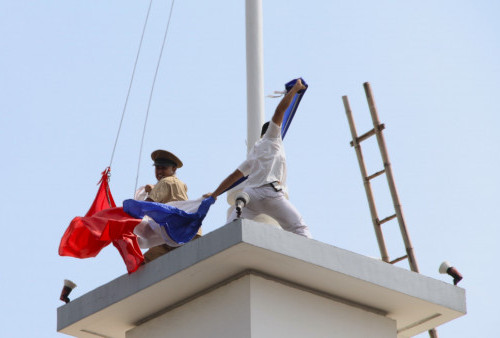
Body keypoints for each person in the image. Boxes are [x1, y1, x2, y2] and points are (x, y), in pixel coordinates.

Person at [205, 79, 311, 238]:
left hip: (251, 194)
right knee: (300, 229)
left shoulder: (254, 153)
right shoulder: (272, 138)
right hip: (270, 193)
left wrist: (214, 194)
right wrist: (295, 89)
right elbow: (280, 111)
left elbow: (234, 176)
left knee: (229, 232)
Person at [140, 149, 202, 262]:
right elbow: (171, 200)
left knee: (145, 264)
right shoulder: (179, 183)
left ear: (174, 169)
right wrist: (153, 190)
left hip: (173, 233)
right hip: (189, 232)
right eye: (157, 168)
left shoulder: (165, 182)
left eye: (163, 168)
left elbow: (146, 206)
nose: (159, 171)